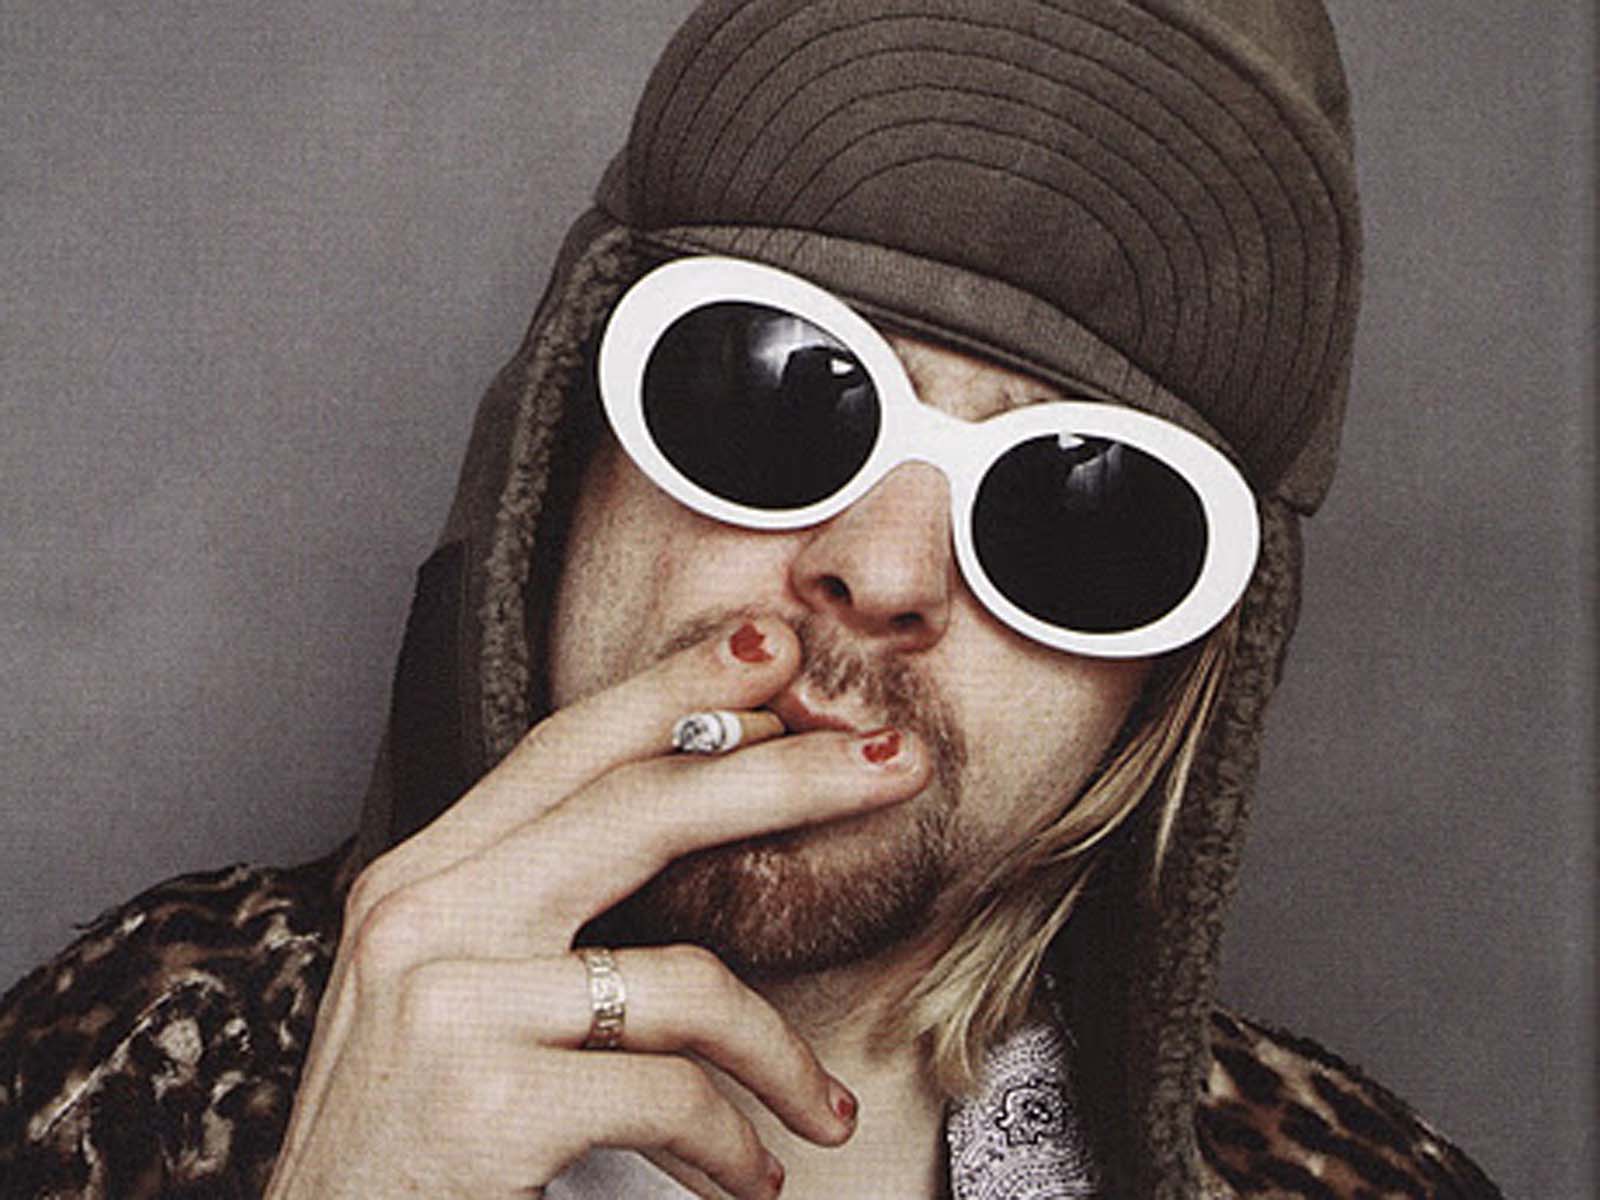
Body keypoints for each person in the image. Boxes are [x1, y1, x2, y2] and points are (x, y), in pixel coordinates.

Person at [0, 2, 1506, 1197]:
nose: (884, 572)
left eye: (1079, 506)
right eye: (780, 390)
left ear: (1179, 678)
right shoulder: (124, 1084)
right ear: (563, 457)